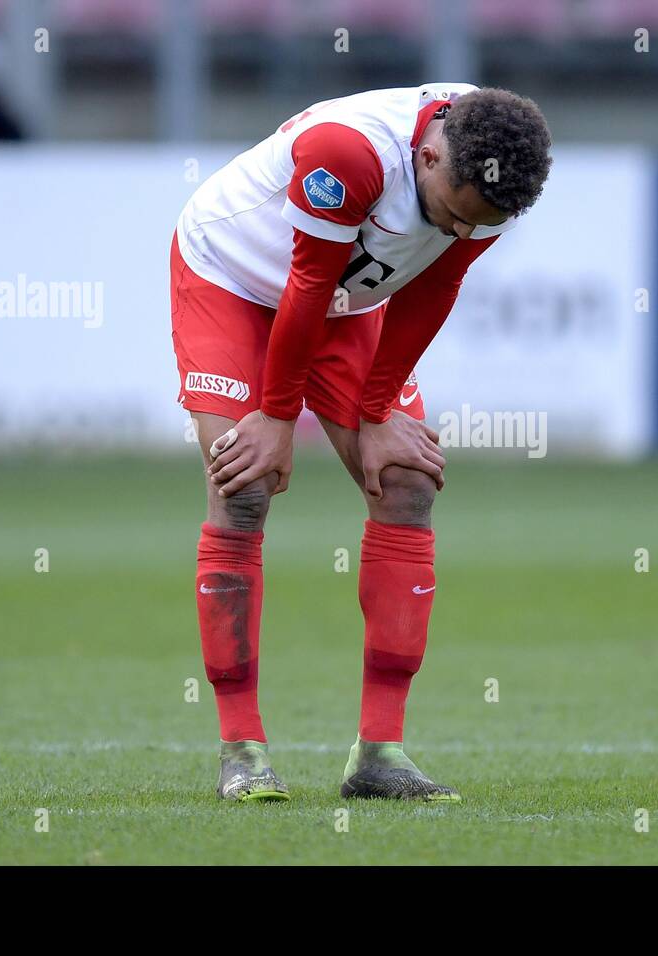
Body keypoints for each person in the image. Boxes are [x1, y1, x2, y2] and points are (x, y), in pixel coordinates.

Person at [170, 84, 552, 801]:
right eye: (447, 214)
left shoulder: (498, 175)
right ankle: (241, 749)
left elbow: (433, 288)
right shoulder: (349, 153)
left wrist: (378, 410)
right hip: (231, 277)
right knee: (243, 486)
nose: (458, 230)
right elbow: (306, 285)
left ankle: (380, 753)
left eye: (476, 226)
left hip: (344, 298)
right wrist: (279, 420)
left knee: (406, 480)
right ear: (428, 154)